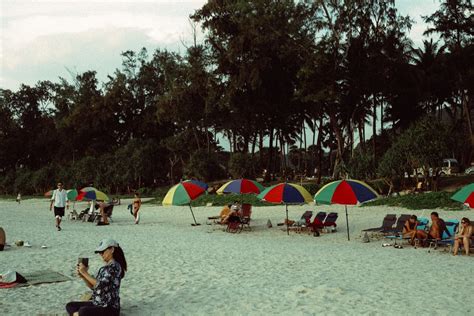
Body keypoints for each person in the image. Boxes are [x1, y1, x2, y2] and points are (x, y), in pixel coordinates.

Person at [66, 239, 127, 316]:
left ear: (112, 249)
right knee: (70, 305)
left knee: (83, 311)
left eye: (102, 252)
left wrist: (85, 273)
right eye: (100, 253)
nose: (101, 254)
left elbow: (100, 285)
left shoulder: (114, 266)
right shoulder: (105, 268)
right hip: (98, 303)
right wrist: (84, 276)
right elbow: (94, 287)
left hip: (109, 308)